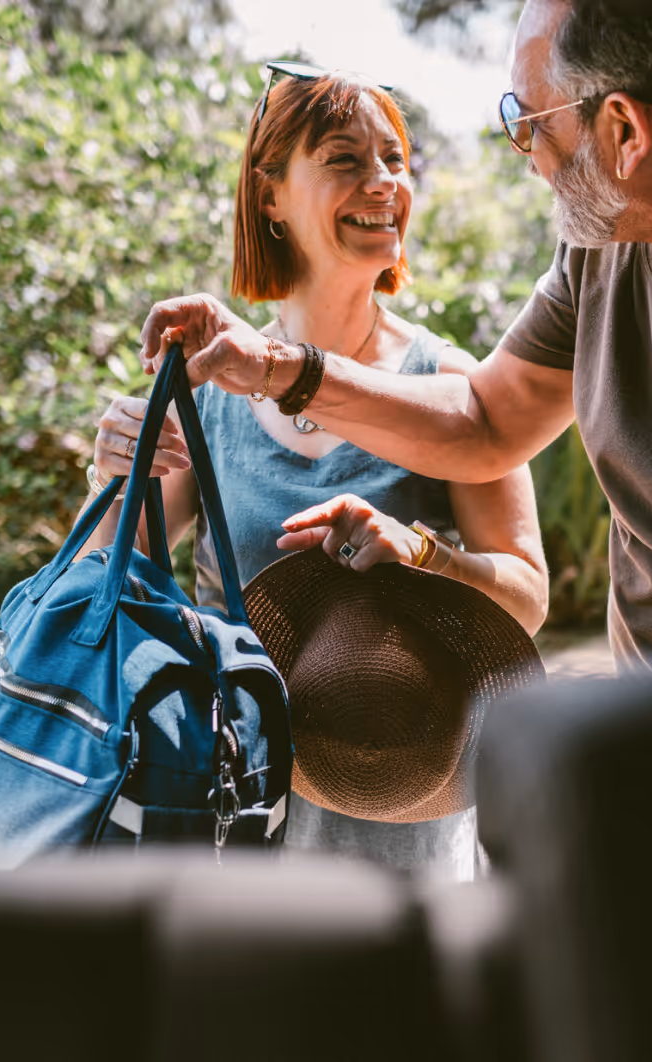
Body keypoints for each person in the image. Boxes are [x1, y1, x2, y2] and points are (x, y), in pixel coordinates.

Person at [139, 0, 652, 675]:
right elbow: (486, 421)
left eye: (527, 118)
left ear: (624, 132)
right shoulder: (606, 237)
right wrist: (277, 368)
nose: (525, 152)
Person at [80, 68, 549, 881]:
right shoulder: (211, 395)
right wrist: (109, 480)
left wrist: (421, 553)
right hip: (237, 812)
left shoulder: (449, 385)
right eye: (345, 159)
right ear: (270, 197)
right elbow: (106, 592)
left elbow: (528, 596)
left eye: (396, 160)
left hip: (408, 819)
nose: (385, 184)